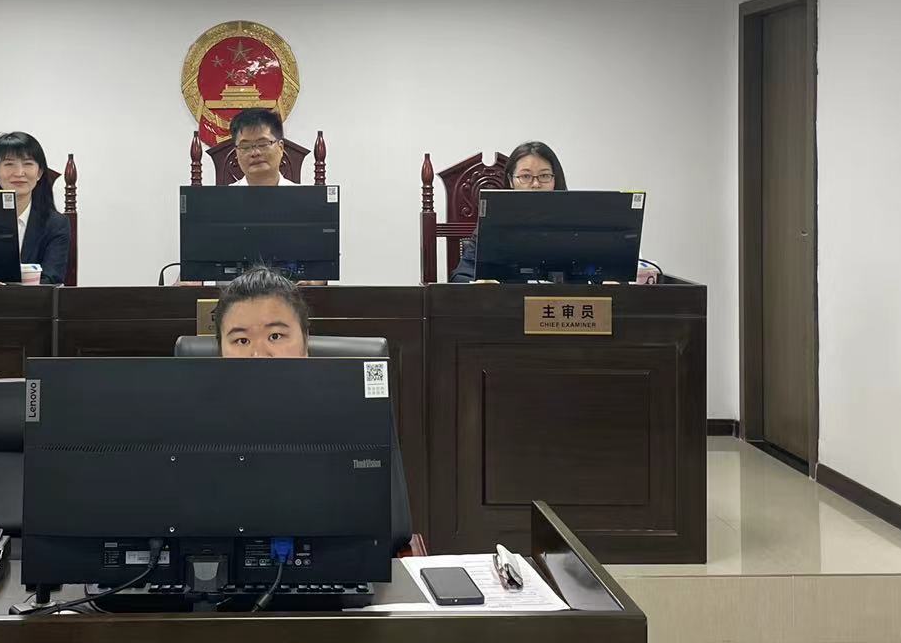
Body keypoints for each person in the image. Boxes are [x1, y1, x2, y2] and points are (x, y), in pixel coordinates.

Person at [213, 266, 412, 550]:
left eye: (275, 336)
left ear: (306, 341)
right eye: (241, 340)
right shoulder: (197, 423)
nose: (259, 355)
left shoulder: (347, 411)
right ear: (220, 351)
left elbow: (387, 528)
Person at [451, 140, 660, 284]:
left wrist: (612, 281)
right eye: (525, 176)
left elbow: (602, 272)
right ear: (511, 181)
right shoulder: (492, 225)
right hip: (510, 313)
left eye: (544, 176)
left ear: (555, 179)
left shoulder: (578, 222)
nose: (535, 184)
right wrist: (478, 285)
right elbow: (461, 276)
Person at [0, 131, 69, 285]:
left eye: (28, 163)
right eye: (9, 164)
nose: (19, 173)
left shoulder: (56, 224)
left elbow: (51, 279)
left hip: (32, 300)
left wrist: (5, 289)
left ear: (39, 173)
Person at [227, 107, 297, 186]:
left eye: (263, 144)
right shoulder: (224, 194)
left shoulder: (301, 193)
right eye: (245, 146)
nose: (255, 153)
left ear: (281, 148)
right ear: (236, 153)